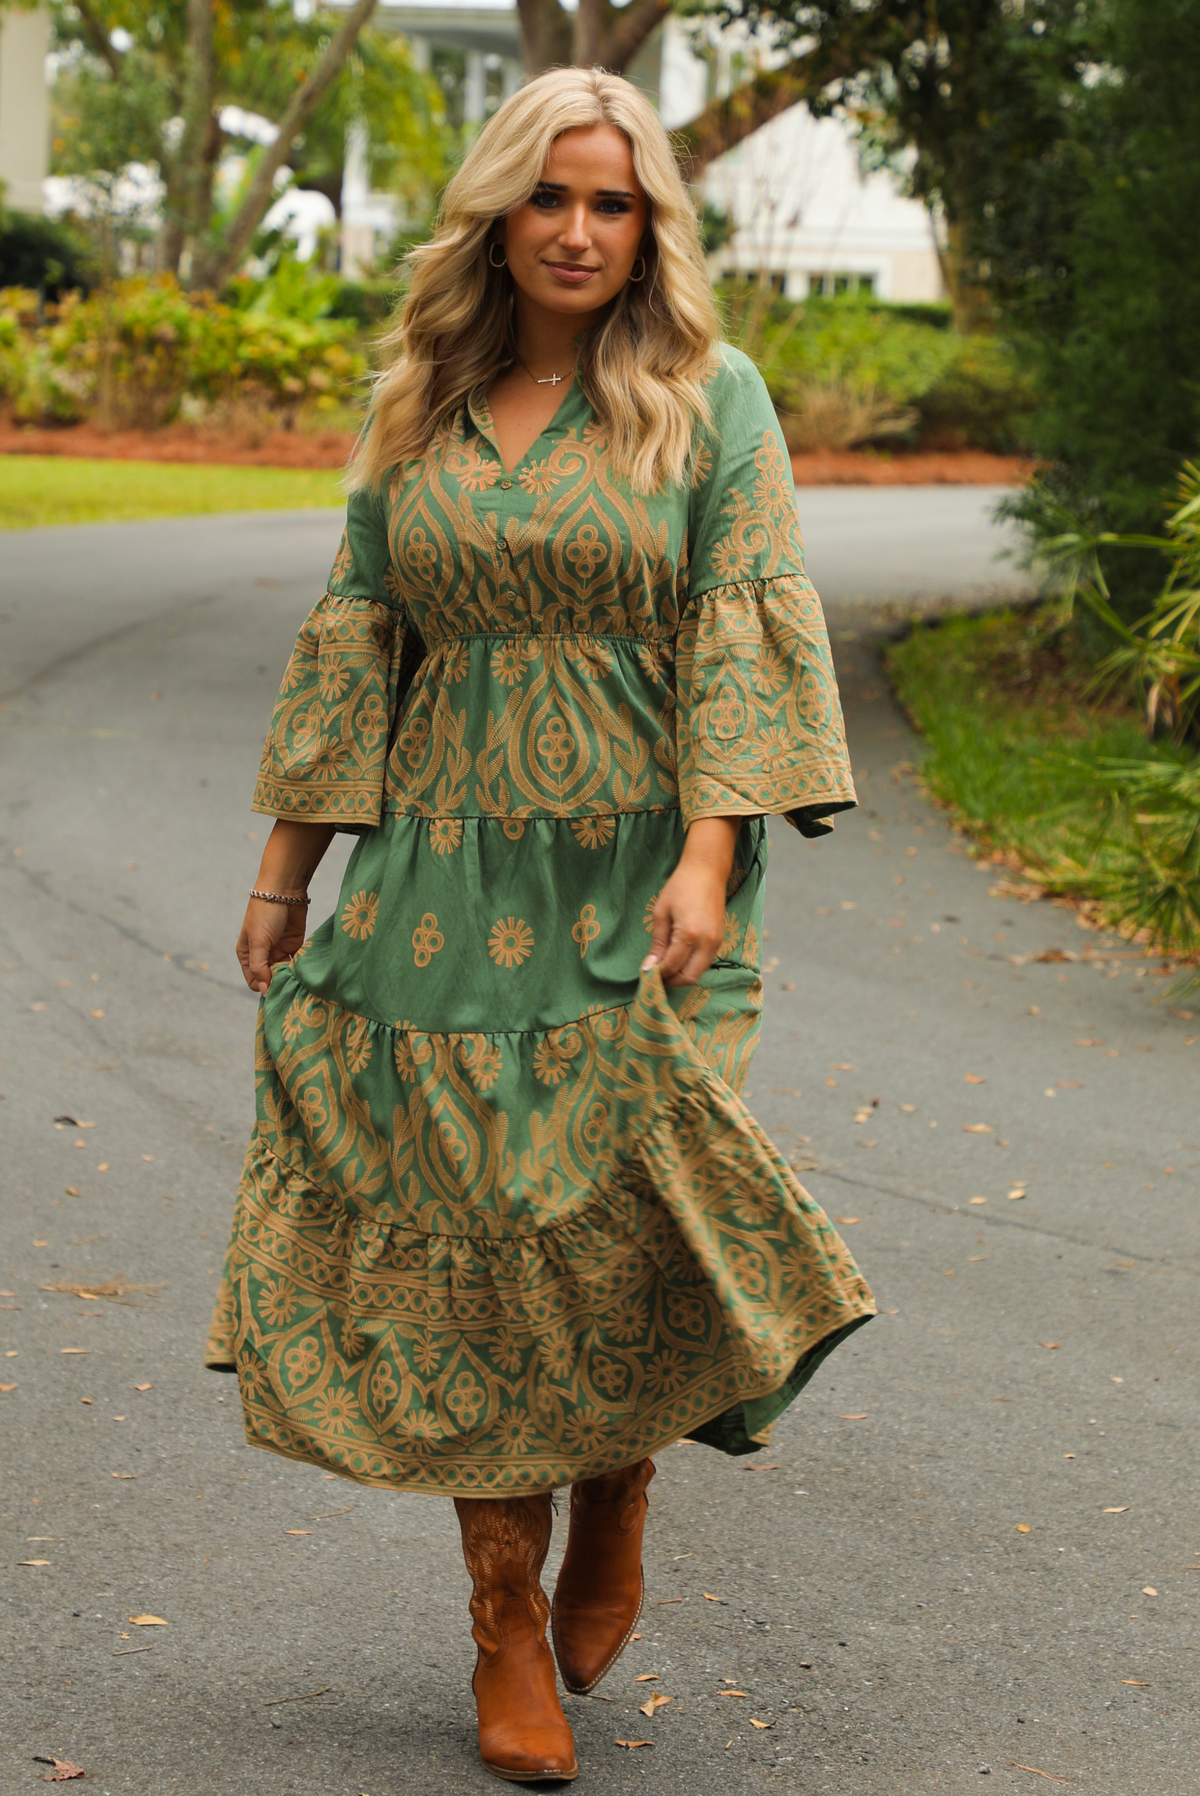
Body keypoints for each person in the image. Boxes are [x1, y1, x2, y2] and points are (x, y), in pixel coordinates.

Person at [207, 65, 874, 1784]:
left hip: (639, 869)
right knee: (483, 1236)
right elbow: (360, 632)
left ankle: (624, 1477)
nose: (581, 231)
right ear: (499, 213)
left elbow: (742, 626)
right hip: (436, 878)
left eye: (615, 201)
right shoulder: (420, 403)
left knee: (636, 1202)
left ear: (651, 223)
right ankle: (501, 1613)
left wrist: (714, 857)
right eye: (552, 197)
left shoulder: (709, 397)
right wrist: (288, 872)